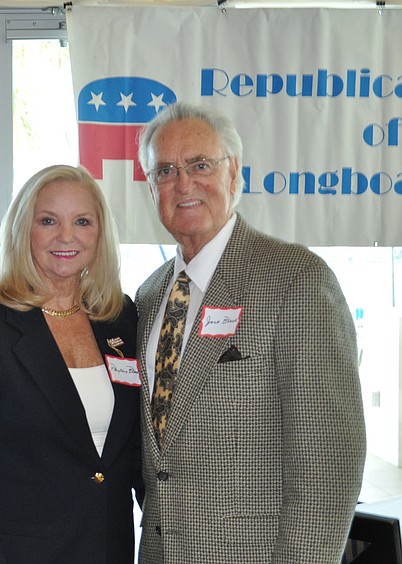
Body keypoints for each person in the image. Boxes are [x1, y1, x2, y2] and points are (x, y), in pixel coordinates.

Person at [134, 101, 365, 563]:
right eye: (165, 171)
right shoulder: (149, 295)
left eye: (200, 165)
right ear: (151, 186)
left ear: (234, 174)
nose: (184, 183)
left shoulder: (296, 280)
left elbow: (327, 471)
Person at [0, 164, 143, 563]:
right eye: (48, 221)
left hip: (109, 550)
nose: (66, 236)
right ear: (23, 230)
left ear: (100, 234)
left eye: (82, 221)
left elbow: (133, 455)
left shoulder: (120, 318)